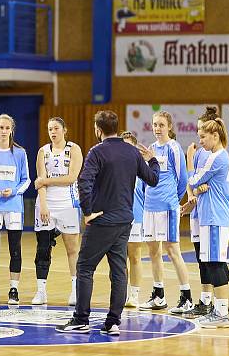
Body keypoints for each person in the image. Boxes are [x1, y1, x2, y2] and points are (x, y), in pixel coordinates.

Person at [56, 110, 159, 335]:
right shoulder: (132, 152)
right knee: (119, 272)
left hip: (102, 221)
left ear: (98, 129)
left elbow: (84, 181)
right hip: (124, 221)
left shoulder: (97, 152)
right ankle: (113, 322)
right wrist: (152, 161)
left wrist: (88, 212)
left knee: (84, 267)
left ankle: (81, 319)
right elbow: (153, 179)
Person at [139, 110, 192, 315]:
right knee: (153, 252)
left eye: (161, 125)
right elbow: (146, 177)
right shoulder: (150, 148)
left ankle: (186, 297)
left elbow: (182, 179)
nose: (157, 128)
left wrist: (174, 201)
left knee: (173, 251)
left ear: (169, 127)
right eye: (154, 125)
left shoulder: (174, 148)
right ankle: (158, 295)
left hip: (167, 208)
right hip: (149, 207)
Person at [186, 118, 229, 328]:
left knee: (215, 264)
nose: (200, 141)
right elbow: (198, 183)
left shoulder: (217, 158)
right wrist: (199, 184)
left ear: (215, 136)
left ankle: (222, 313)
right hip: (209, 217)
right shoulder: (214, 156)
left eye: (203, 137)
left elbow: (194, 180)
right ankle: (219, 309)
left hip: (215, 218)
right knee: (213, 263)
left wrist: (197, 181)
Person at [32, 117, 83, 306]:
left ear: (64, 130)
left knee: (72, 250)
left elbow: (71, 178)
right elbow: (40, 182)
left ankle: (75, 291)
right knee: (43, 249)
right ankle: (41, 291)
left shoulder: (74, 149)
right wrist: (43, 205)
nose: (52, 132)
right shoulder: (43, 152)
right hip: (46, 204)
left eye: (56, 128)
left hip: (68, 204)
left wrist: (45, 181)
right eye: (49, 129)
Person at [0, 114, 30, 305]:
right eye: (0, 127)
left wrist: (15, 191)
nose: (4, 131)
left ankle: (13, 289)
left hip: (13, 207)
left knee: (14, 248)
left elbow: (26, 179)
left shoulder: (19, 153)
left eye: (7, 128)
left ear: (12, 130)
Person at [180, 106, 220, 319]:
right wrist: (191, 195)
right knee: (200, 256)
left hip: (209, 211)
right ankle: (205, 301)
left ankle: (214, 301)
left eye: (201, 131)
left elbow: (210, 182)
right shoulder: (196, 151)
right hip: (196, 210)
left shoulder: (215, 154)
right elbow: (191, 178)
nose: (198, 136)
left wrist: (200, 187)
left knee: (211, 259)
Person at [120, 131, 146, 308]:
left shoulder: (141, 169)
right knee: (119, 259)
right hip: (117, 218)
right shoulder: (114, 167)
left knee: (134, 257)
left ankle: (134, 295)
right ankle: (120, 294)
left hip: (136, 217)